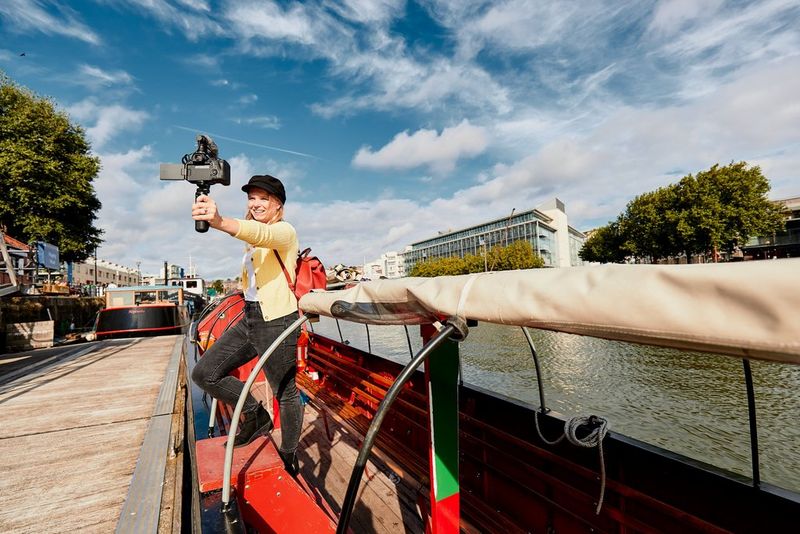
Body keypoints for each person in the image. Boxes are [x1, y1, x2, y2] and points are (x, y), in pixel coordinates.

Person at [190, 174, 301, 474]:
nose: (256, 203)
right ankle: (255, 414)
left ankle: (290, 455)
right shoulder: (252, 243)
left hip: (278, 319)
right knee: (205, 373)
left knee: (285, 391)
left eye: (263, 198)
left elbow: (260, 234)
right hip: (250, 317)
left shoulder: (284, 231)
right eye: (252, 198)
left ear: (278, 204)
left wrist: (219, 220)